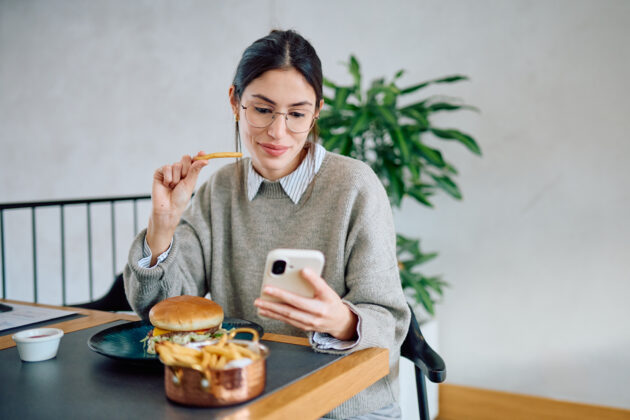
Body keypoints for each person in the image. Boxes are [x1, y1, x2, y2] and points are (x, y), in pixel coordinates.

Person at [124, 29, 410, 419]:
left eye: (297, 114)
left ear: (316, 113)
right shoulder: (220, 189)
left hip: (345, 407)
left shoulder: (355, 186)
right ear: (235, 102)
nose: (278, 132)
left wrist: (341, 322)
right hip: (244, 400)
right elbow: (161, 310)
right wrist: (163, 223)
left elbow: (390, 322)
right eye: (262, 109)